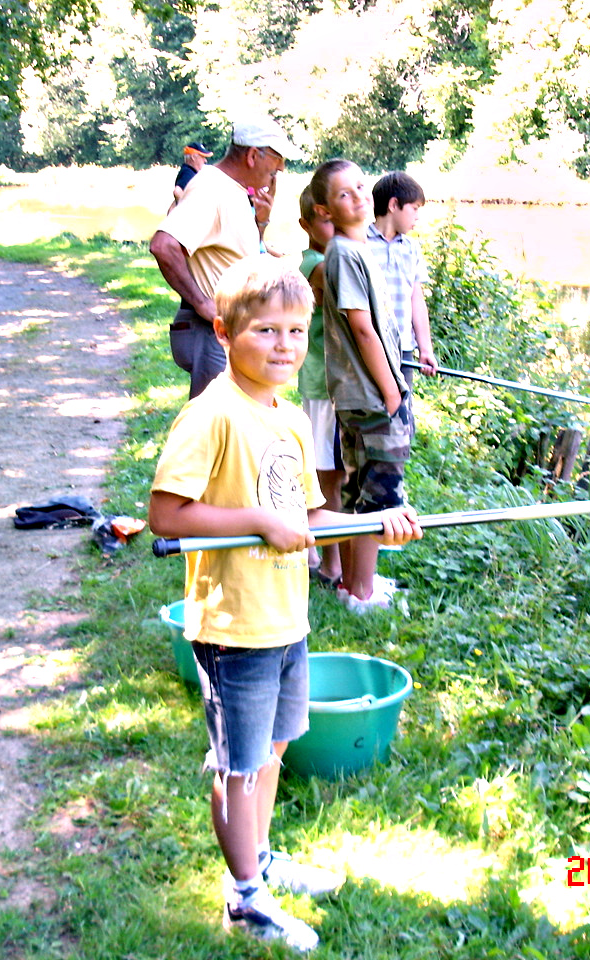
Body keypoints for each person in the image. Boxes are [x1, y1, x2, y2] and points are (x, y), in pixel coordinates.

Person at [148, 254, 421, 952]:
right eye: (266, 331)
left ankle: (259, 860)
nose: (283, 346)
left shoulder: (292, 417)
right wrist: (260, 522)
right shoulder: (213, 414)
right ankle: (244, 899)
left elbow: (311, 515)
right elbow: (167, 515)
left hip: (285, 616)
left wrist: (378, 524)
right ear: (224, 328)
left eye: (296, 332)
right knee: (238, 763)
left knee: (269, 750)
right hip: (233, 623)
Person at [311, 159, 411, 613]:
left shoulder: (352, 248)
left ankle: (353, 584)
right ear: (325, 210)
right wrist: (392, 391)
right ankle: (364, 596)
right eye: (343, 194)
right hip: (370, 396)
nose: (355, 197)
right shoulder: (345, 253)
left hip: (357, 395)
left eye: (358, 188)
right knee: (378, 498)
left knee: (354, 493)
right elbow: (362, 326)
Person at [149, 117, 303, 400]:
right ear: (253, 155)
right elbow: (164, 245)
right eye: (277, 160)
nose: (280, 168)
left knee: (236, 429)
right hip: (212, 333)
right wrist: (203, 303)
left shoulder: (233, 190)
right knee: (212, 431)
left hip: (231, 332)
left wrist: (261, 223)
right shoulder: (211, 189)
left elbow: (234, 253)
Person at [295, 187, 343, 588]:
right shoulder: (319, 264)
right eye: (326, 220)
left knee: (332, 473)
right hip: (321, 382)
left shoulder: (330, 258)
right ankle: (327, 561)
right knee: (324, 474)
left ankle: (322, 553)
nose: (335, 227)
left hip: (333, 383)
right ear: (306, 225)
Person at [369, 172, 437, 393]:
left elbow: (416, 299)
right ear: (393, 205)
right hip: (370, 347)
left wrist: (425, 347)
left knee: (403, 417)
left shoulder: (412, 248)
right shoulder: (360, 244)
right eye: (414, 208)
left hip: (403, 348)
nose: (417, 217)